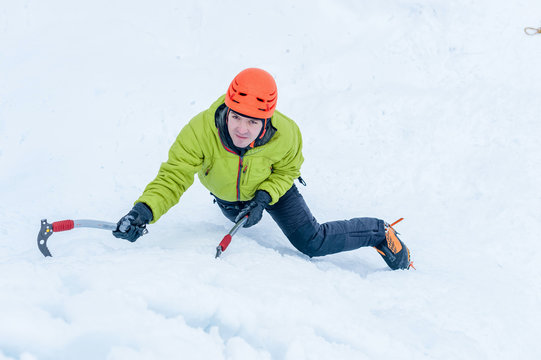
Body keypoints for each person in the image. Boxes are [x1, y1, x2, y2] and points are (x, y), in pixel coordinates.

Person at [113, 68, 412, 270]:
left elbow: (288, 170)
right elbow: (174, 176)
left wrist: (265, 197)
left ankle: (377, 231)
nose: (242, 129)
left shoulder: (287, 134)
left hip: (273, 189)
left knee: (312, 242)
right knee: (244, 220)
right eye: (236, 118)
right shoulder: (200, 131)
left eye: (253, 122)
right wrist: (143, 211)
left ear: (266, 120)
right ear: (227, 108)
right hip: (230, 197)